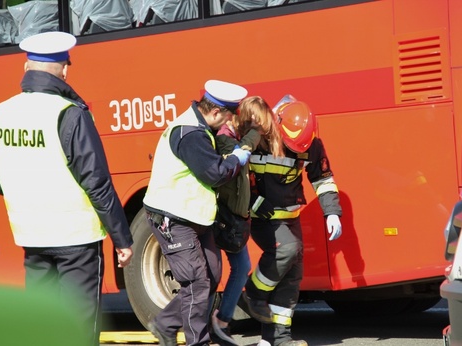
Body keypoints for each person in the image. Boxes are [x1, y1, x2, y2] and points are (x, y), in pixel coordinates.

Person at [0, 31, 134, 346]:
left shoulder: (1, 113)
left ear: (26, 69)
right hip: (76, 241)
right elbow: (97, 182)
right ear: (64, 69)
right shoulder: (69, 113)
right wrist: (122, 239)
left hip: (33, 238)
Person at [142, 79, 252, 346]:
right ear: (215, 112)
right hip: (173, 217)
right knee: (197, 282)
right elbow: (214, 174)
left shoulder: (201, 128)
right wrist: (236, 160)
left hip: (195, 217)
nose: (228, 123)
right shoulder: (191, 133)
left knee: (212, 275)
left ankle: (165, 324)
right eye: (227, 117)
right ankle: (198, 342)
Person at [243, 95, 343, 346]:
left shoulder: (312, 144)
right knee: (288, 249)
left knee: (292, 277)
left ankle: (277, 339)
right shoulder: (260, 140)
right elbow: (237, 182)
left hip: (290, 218)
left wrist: (332, 212)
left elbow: (323, 180)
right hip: (263, 219)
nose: (299, 152)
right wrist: (255, 204)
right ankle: (252, 293)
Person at [211, 96, 285, 346]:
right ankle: (212, 321)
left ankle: (221, 320)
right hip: (221, 217)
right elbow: (236, 159)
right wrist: (255, 133)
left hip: (234, 217)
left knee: (239, 268)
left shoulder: (240, 138)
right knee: (208, 274)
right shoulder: (225, 137)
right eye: (258, 126)